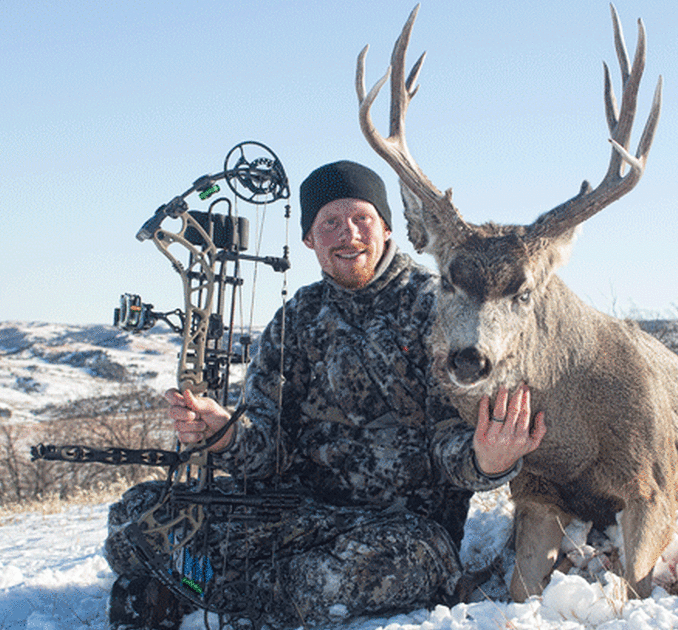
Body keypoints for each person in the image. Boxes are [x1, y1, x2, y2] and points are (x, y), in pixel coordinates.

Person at [104, 160, 547, 630]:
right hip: (295, 514)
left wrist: (488, 460)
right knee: (134, 520)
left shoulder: (437, 307)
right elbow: (269, 448)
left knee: (332, 579)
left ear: (386, 229)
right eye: (330, 223)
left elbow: (450, 444)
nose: (348, 234)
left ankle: (194, 590)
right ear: (310, 240)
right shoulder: (297, 318)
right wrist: (227, 436)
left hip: (400, 531)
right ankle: (221, 589)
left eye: (362, 219)